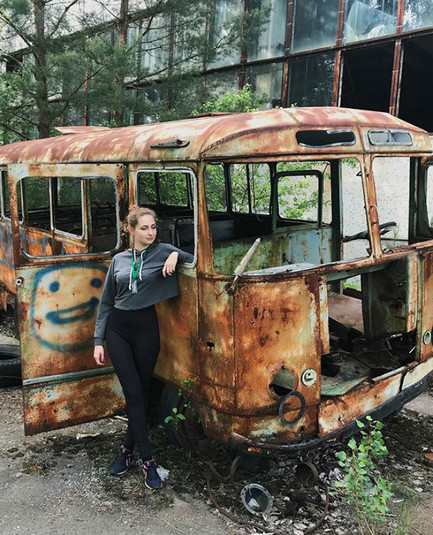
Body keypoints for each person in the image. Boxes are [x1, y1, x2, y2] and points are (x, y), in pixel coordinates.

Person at [93, 205, 194, 490]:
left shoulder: (162, 251)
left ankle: (127, 451)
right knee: (134, 392)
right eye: (144, 228)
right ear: (131, 229)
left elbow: (193, 259)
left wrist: (176, 254)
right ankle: (148, 461)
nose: (150, 233)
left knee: (143, 392)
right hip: (118, 329)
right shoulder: (119, 260)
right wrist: (98, 341)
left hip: (147, 328)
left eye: (153, 227)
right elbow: (106, 303)